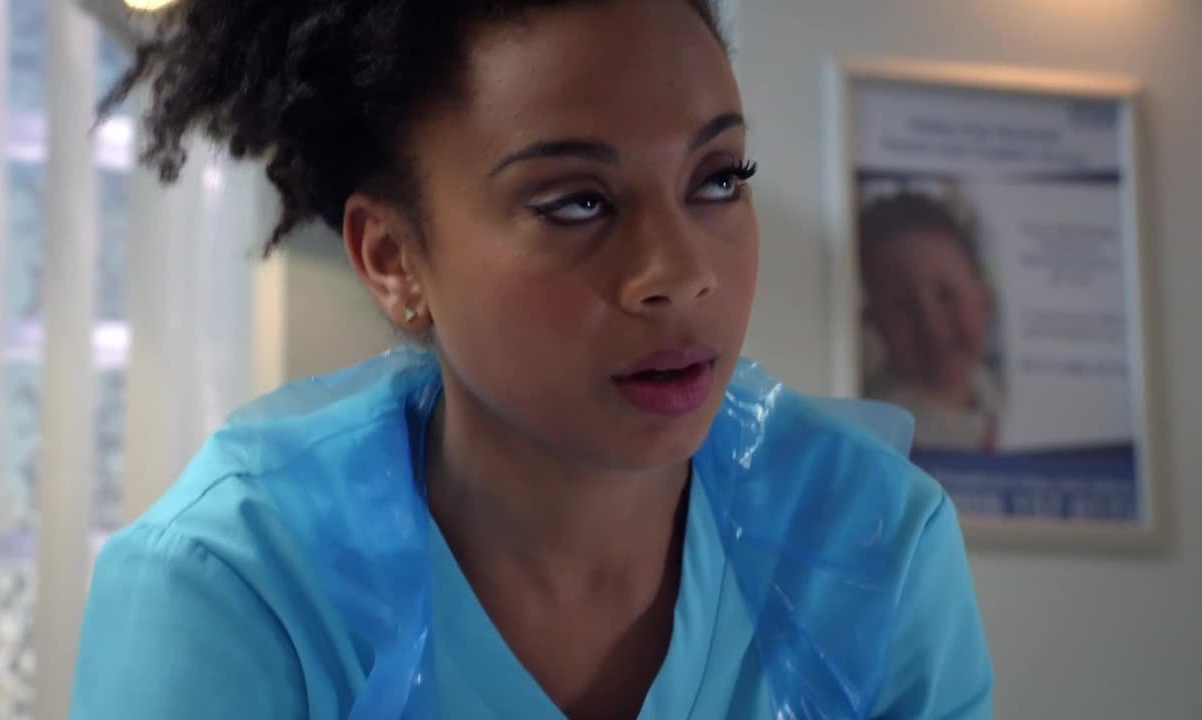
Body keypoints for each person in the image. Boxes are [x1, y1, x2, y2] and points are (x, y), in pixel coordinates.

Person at [70, 2, 993, 718]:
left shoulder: (872, 546)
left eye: (719, 179)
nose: (680, 274)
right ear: (393, 258)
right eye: (576, 203)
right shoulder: (234, 588)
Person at [859, 192, 1000, 453]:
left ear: (984, 302)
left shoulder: (989, 387)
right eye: (903, 305)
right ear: (875, 322)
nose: (932, 326)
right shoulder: (887, 429)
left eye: (947, 296)